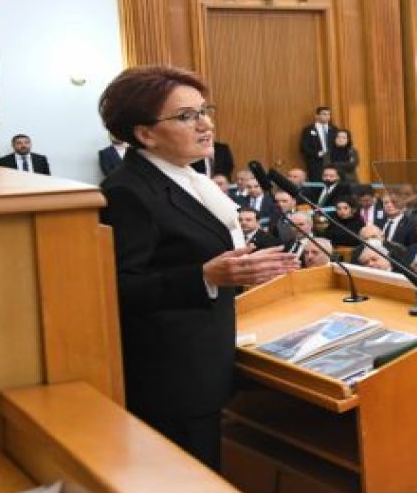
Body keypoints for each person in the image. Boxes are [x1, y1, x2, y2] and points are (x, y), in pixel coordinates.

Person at [97, 66, 298, 469]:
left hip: (207, 361)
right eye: (186, 116)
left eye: (204, 110)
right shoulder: (127, 192)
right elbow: (116, 289)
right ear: (145, 134)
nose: (206, 124)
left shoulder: (189, 178)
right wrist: (204, 277)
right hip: (171, 380)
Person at [299, 106, 338, 182]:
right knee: (317, 185)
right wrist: (318, 154)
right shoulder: (308, 130)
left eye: (328, 114)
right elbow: (303, 147)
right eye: (324, 114)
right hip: (316, 163)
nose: (327, 116)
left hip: (332, 162)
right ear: (317, 116)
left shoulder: (334, 129)